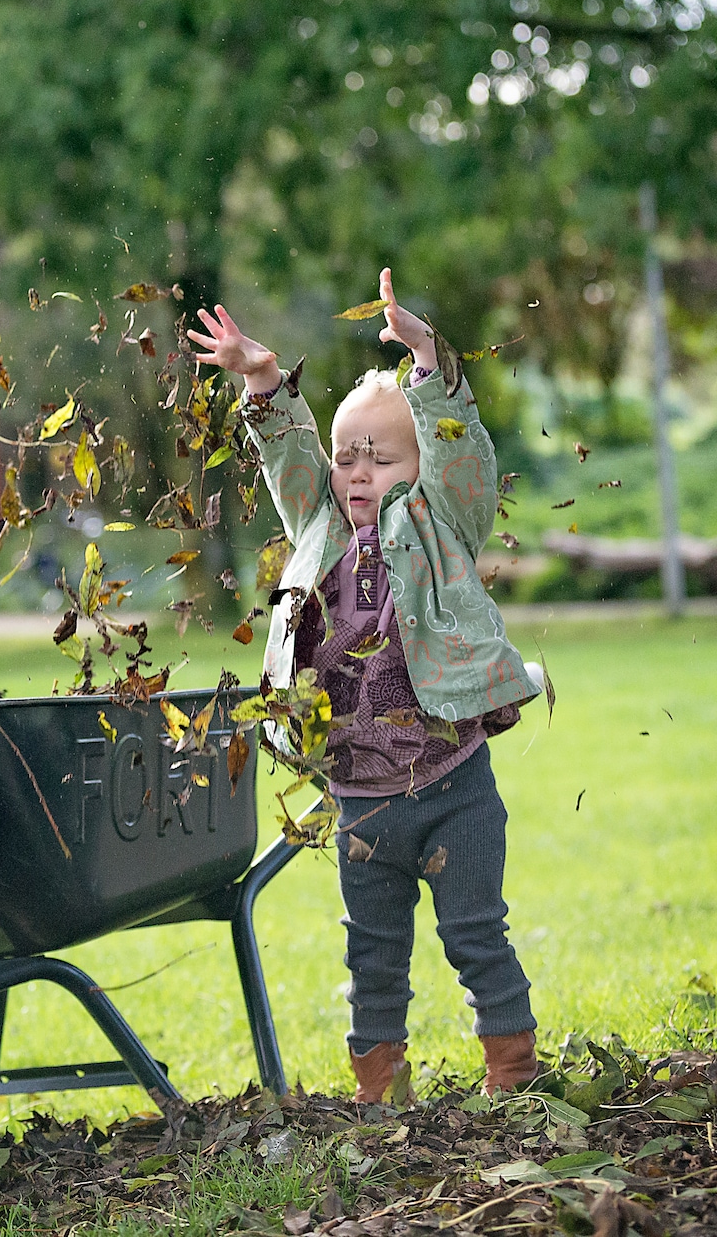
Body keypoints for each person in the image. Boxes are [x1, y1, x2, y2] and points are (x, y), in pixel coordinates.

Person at [193, 269, 544, 1105]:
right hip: (361, 799)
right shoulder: (319, 524)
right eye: (346, 456)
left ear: (421, 465)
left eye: (380, 458)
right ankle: (379, 1087)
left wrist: (428, 364)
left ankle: (512, 1071)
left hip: (453, 786)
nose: (356, 473)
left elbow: (460, 448)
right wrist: (263, 381)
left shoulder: (441, 522)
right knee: (371, 952)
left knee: (474, 935)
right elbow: (288, 459)